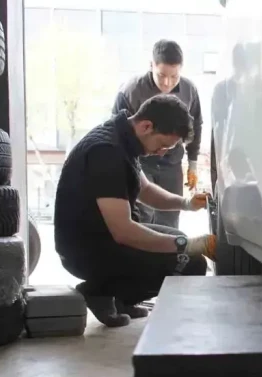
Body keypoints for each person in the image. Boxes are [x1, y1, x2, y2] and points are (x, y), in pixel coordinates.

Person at [54, 95, 217, 327]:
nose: (162, 153)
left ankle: (122, 299)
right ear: (146, 126)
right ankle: (99, 290)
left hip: (101, 238)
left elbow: (146, 190)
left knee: (179, 245)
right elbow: (124, 232)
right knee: (192, 263)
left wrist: (186, 203)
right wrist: (187, 244)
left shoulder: (121, 138)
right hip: (86, 251)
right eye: (162, 145)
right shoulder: (107, 152)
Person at [112, 39, 203, 228]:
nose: (167, 83)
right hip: (140, 160)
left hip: (172, 162)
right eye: (161, 75)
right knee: (143, 214)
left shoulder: (190, 91)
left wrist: (192, 164)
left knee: (170, 217)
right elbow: (117, 131)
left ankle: (168, 254)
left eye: (174, 76)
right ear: (151, 65)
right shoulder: (131, 91)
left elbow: (196, 125)